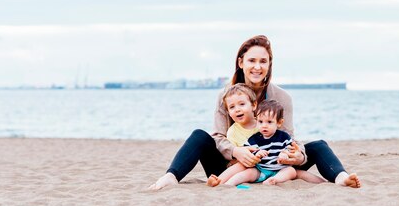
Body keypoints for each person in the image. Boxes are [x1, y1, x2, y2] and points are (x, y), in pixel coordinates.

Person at [148, 34, 361, 191]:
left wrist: (298, 155)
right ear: (241, 63)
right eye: (251, 61)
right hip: (233, 167)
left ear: (269, 65)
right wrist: (236, 152)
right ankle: (171, 176)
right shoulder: (226, 95)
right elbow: (218, 137)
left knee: (318, 146)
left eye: (263, 61)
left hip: (274, 164)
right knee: (199, 136)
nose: (257, 67)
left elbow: (289, 137)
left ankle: (341, 178)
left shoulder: (282, 98)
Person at [210, 100, 324, 186]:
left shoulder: (283, 137)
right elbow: (248, 155)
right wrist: (257, 154)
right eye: (260, 121)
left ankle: (324, 183)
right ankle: (226, 184)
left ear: (279, 123)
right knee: (247, 173)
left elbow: (291, 149)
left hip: (281, 169)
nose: (264, 125)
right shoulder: (254, 139)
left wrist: (285, 154)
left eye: (269, 122)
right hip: (261, 170)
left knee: (292, 171)